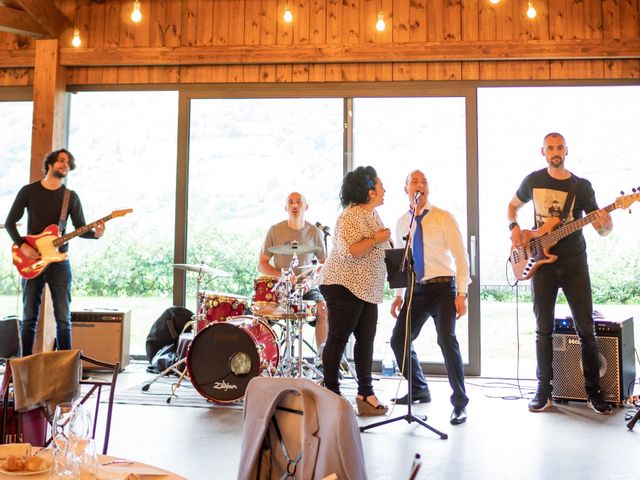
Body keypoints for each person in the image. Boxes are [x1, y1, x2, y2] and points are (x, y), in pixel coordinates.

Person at [508, 132, 613, 415]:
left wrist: (606, 222)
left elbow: (602, 230)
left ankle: (594, 392)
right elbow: (512, 207)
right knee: (543, 330)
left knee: (586, 329)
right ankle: (544, 391)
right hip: (542, 264)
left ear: (567, 150)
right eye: (550, 147)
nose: (555, 151)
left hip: (575, 264)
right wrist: (514, 228)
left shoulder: (581, 187)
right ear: (542, 151)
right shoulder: (533, 181)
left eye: (559, 147)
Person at [4, 149, 105, 356]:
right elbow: (9, 223)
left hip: (59, 263)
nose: (65, 165)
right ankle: (25, 367)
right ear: (50, 164)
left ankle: (65, 368)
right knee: (29, 318)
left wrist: (95, 234)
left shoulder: (70, 197)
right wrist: (23, 246)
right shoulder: (28, 191)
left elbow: (80, 228)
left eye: (68, 163)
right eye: (61, 160)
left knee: (63, 319)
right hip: (32, 261)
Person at [390, 170, 471, 425]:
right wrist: (399, 295)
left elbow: (460, 256)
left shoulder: (443, 217)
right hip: (416, 289)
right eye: (414, 181)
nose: (420, 185)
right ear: (406, 190)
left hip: (443, 289)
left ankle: (460, 404)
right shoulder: (403, 222)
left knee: (447, 340)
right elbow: (401, 260)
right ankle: (420, 388)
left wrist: (462, 292)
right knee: (398, 340)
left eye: (424, 181)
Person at [318, 166, 391, 416]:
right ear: (370, 191)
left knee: (365, 340)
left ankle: (365, 393)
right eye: (381, 186)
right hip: (343, 284)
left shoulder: (372, 215)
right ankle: (331, 394)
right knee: (338, 338)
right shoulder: (350, 215)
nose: (385, 190)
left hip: (366, 288)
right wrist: (377, 240)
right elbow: (350, 251)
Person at [258, 192, 328, 351]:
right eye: (290, 202)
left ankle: (322, 360)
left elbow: (324, 264)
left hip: (307, 288)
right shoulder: (274, 231)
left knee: (323, 308)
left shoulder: (315, 232)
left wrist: (311, 281)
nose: (295, 205)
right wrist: (281, 275)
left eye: (299, 202)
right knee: (261, 314)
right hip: (280, 288)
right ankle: (265, 360)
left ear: (306, 206)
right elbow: (262, 264)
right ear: (286, 207)